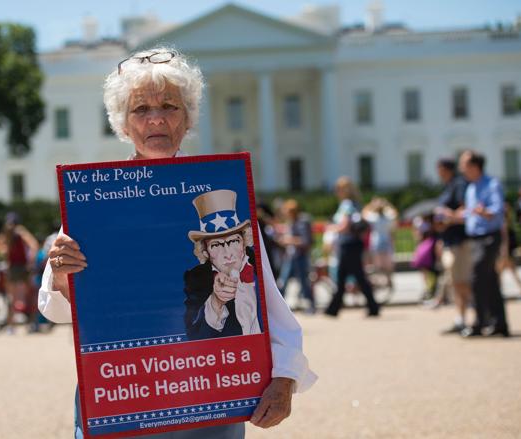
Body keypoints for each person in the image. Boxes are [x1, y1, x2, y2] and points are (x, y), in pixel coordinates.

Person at [38, 47, 316, 439]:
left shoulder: (225, 189)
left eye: (169, 105)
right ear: (123, 123)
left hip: (209, 393)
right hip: (125, 394)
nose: (156, 118)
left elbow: (267, 300)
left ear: (187, 118)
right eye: (140, 109)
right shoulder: (92, 202)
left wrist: (285, 376)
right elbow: (59, 310)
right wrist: (64, 275)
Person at [184, 189, 260, 339]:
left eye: (233, 241)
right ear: (205, 253)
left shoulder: (259, 265)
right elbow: (193, 335)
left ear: (244, 242)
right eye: (216, 245)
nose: (228, 253)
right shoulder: (196, 279)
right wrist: (216, 302)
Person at [457, 150, 510, 337]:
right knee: (490, 280)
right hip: (476, 239)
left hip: (489, 237)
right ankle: (500, 323)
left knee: (477, 278)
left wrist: (483, 211)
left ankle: (480, 322)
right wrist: (452, 216)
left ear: (474, 166)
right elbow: (469, 213)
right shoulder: (471, 188)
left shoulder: (491, 184)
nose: (461, 168)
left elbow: (496, 210)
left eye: (464, 164)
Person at [324, 176, 379, 317]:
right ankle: (334, 308)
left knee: (352, 277)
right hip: (354, 244)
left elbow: (345, 226)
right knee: (349, 277)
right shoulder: (356, 203)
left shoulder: (347, 205)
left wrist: (331, 228)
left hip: (348, 244)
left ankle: (334, 308)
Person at [432, 158, 472, 333]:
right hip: (450, 240)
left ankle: (472, 317)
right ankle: (461, 318)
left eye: (439, 168)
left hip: (460, 240)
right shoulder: (449, 186)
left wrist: (447, 216)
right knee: (456, 282)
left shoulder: (459, 184)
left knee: (462, 281)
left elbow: (465, 210)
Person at [0, 213, 39, 333]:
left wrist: (3, 254)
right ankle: (32, 323)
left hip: (12, 268)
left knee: (12, 298)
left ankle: (11, 326)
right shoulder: (21, 232)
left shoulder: (5, 234)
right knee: (29, 296)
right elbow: (34, 245)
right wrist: (31, 261)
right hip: (23, 268)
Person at [276, 199, 315, 313]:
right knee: (283, 282)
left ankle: (311, 305)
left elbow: (305, 240)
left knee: (304, 282)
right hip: (290, 256)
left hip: (300, 257)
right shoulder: (291, 222)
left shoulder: (302, 222)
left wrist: (289, 240)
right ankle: (279, 308)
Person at [362, 197, 397, 292]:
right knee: (388, 263)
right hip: (386, 241)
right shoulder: (388, 217)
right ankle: (389, 280)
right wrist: (387, 205)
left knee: (377, 264)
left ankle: (378, 280)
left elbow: (364, 213)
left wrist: (371, 205)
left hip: (376, 241)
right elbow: (394, 213)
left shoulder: (374, 217)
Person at [498, 202, 521, 298]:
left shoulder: (502, 222)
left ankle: (498, 294)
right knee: (511, 272)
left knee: (499, 274)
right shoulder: (506, 221)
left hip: (504, 252)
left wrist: (504, 252)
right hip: (505, 252)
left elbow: (505, 239)